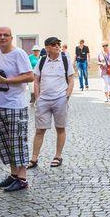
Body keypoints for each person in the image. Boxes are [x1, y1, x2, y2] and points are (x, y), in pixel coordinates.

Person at [0, 26, 35, 192]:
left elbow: (29, 76)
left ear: (11, 37)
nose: (2, 37)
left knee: (17, 141)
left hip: (15, 104)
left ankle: (22, 179)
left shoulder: (19, 53)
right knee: (5, 142)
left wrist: (6, 80)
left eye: (6, 35)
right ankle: (13, 175)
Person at [31, 37, 75, 168]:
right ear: (47, 48)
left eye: (58, 44)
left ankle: (58, 156)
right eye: (54, 44)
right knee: (39, 130)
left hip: (60, 99)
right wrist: (38, 98)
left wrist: (66, 96)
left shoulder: (65, 60)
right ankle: (34, 158)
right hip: (43, 100)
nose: (57, 46)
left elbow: (71, 80)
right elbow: (36, 80)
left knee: (60, 128)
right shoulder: (42, 60)